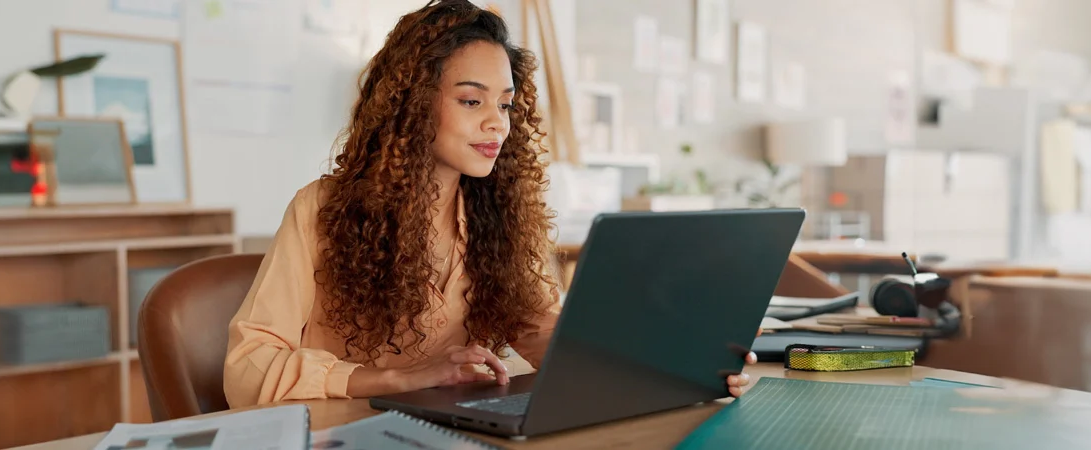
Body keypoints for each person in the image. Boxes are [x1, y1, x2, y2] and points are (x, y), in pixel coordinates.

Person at [223, 0, 757, 408]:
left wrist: (665, 364)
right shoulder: (322, 208)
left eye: (504, 104)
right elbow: (247, 367)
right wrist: (396, 378)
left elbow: (543, 330)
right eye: (471, 100)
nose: (497, 123)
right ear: (412, 105)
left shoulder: (499, 215)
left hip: (463, 430)